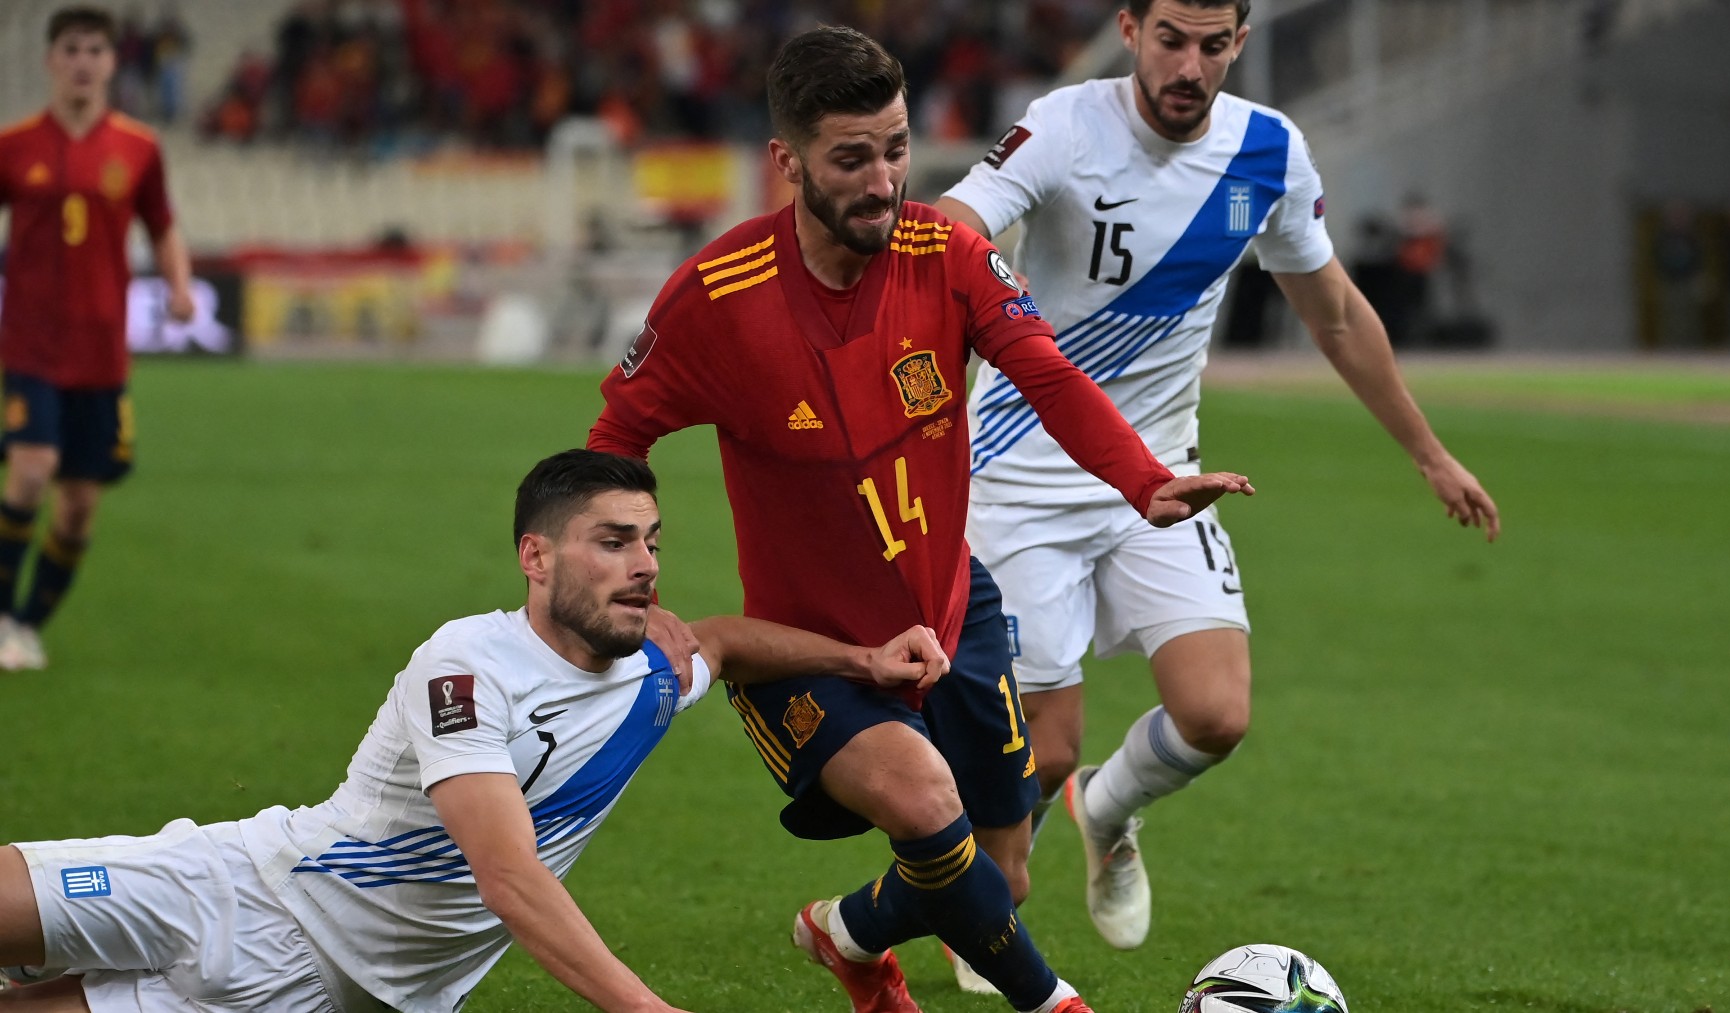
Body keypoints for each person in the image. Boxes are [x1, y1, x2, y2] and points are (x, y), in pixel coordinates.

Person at [587, 26, 1255, 1013]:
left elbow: (1047, 372)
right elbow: (613, 442)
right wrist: (628, 578)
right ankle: (1057, 1003)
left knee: (1001, 878)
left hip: (955, 610)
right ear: (789, 162)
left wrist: (1139, 478)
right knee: (925, 802)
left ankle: (845, 933)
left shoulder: (947, 255)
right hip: (808, 650)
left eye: (897, 149)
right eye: (852, 158)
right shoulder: (717, 300)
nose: (883, 180)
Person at [936, 0, 1500, 962]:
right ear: (1130, 29)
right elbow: (951, 224)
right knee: (1043, 748)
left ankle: (1108, 811)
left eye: (1212, 45)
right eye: (1170, 40)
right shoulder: (1066, 125)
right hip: (1022, 478)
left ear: (1240, 42)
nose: (1189, 66)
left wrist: (1428, 451)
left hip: (1163, 477)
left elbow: (1335, 314)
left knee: (1216, 715)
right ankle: (981, 899)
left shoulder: (1267, 154)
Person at [0, 449, 948, 1012]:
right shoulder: (465, 667)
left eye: (652, 540)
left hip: (326, 996)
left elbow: (726, 643)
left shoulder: (653, 675)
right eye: (612, 541)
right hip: (248, 893)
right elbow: (506, 874)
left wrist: (864, 659)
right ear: (536, 557)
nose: (645, 564)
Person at [0, 6, 196, 671]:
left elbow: (163, 225)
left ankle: (25, 623)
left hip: (102, 352)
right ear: (52, 60)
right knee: (30, 470)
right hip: (30, 344)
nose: (83, 61)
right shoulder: (15, 143)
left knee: (79, 506)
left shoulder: (139, 147)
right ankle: (1, 613)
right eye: (72, 49)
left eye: (95, 50)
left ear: (112, 63)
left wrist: (180, 284)